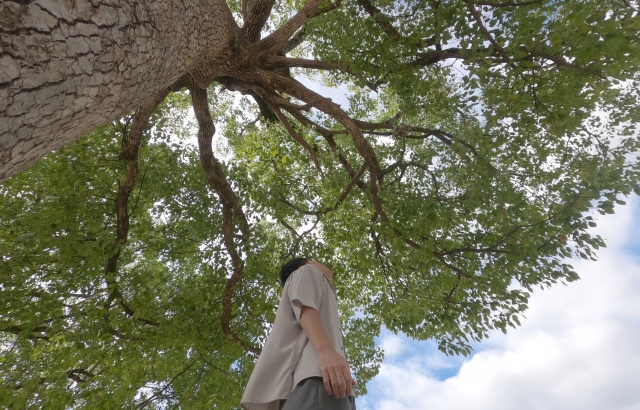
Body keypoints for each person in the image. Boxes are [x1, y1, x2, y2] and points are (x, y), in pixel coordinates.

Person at [241, 258, 356, 410]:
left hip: (327, 385)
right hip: (318, 382)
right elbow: (303, 303)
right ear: (307, 262)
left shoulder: (315, 280)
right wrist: (326, 350)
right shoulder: (307, 270)